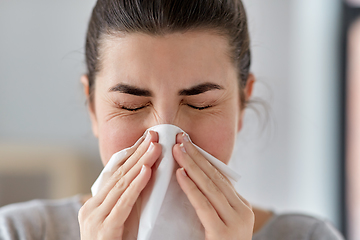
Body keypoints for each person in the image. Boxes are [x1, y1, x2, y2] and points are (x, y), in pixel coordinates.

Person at [0, 0, 344, 239]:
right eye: (131, 105)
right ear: (92, 107)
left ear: (242, 101)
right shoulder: (21, 232)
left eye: (200, 103)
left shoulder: (308, 236)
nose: (164, 138)